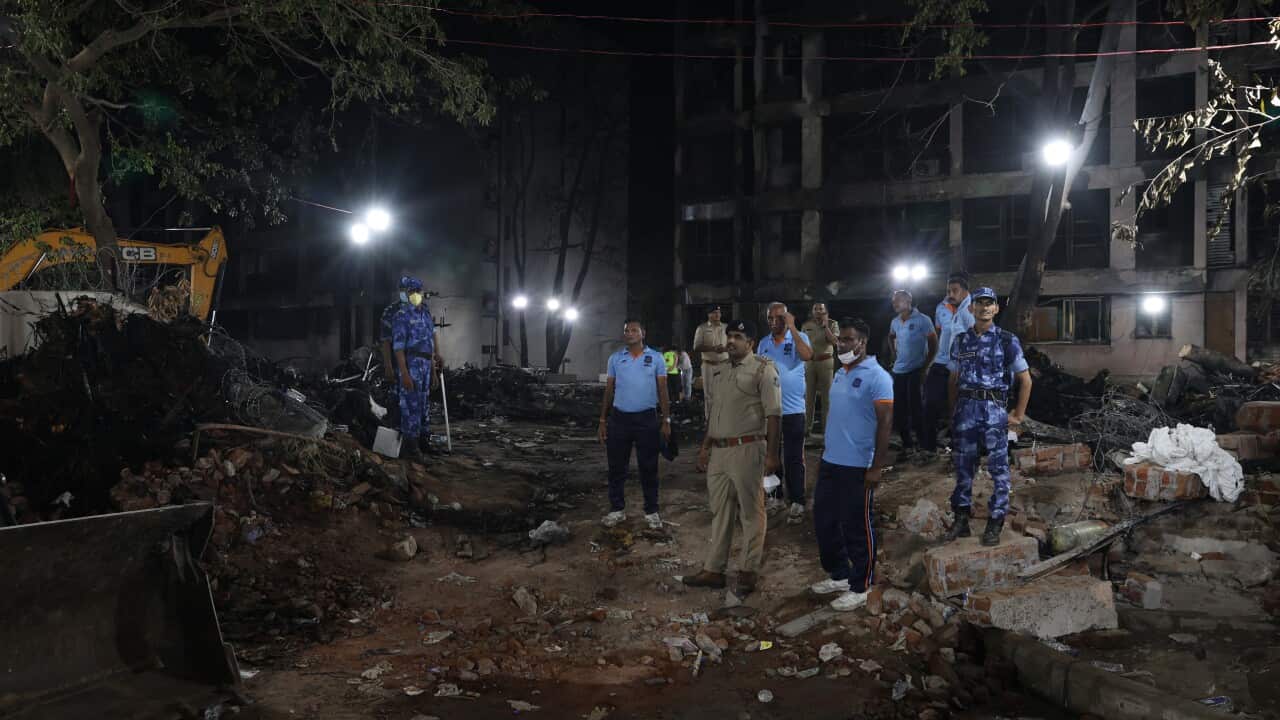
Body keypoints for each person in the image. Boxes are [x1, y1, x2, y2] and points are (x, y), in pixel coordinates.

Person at [684, 319, 782, 595]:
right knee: (720, 511)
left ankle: (748, 571)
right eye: (729, 336)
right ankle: (714, 570)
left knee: (751, 512)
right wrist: (705, 447)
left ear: (750, 343)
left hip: (748, 448)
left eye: (738, 336)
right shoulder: (721, 371)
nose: (731, 341)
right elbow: (715, 413)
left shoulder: (763, 369)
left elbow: (774, 415)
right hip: (719, 451)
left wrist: (772, 455)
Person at [808, 318, 893, 611]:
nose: (841, 344)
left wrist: (876, 467)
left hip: (858, 466)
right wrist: (824, 455)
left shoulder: (878, 376)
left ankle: (861, 586)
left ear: (862, 342)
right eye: (840, 339)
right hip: (832, 461)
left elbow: (885, 424)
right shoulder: (840, 373)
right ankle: (840, 575)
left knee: (858, 527)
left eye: (847, 339)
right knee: (825, 522)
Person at [945, 287, 1033, 546]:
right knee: (963, 465)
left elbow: (1025, 380)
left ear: (996, 308)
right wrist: (952, 411)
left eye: (989, 303)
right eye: (979, 303)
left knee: (998, 467)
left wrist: (1018, 414)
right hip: (966, 409)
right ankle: (961, 518)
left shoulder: (1007, 340)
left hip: (994, 411)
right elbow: (953, 378)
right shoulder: (961, 341)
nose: (984, 307)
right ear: (971, 308)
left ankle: (996, 519)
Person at [599, 319, 672, 530]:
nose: (629, 334)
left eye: (634, 330)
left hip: (646, 419)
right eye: (626, 331)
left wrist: (666, 420)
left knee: (648, 467)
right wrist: (603, 420)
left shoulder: (656, 358)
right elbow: (609, 390)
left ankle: (651, 511)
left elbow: (663, 390)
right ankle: (617, 510)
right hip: (619, 419)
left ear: (643, 333)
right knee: (616, 467)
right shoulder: (615, 359)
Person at [757, 302, 813, 523]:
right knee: (771, 456)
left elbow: (808, 356)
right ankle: (776, 497)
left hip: (793, 410)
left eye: (779, 318)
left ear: (788, 317)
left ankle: (798, 500)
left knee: (793, 458)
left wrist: (793, 328)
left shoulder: (800, 339)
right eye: (770, 318)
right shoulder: (763, 344)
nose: (773, 322)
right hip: (771, 411)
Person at [391, 275, 440, 462]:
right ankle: (411, 449)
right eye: (410, 291)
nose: (414, 294)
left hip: (426, 365)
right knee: (410, 407)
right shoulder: (402, 316)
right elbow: (398, 348)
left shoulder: (426, 314)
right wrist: (404, 373)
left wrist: (434, 371)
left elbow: (431, 346)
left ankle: (423, 442)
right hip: (411, 365)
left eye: (416, 291)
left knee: (423, 406)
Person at [925, 274, 974, 454]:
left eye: (955, 291)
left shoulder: (970, 310)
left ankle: (958, 447)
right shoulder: (943, 307)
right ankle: (928, 448)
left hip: (959, 368)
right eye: (948, 290)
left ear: (965, 291)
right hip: (941, 362)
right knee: (930, 403)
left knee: (958, 408)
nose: (950, 294)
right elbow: (940, 334)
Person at [888, 290, 937, 458]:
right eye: (893, 301)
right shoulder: (894, 322)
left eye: (897, 301)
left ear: (908, 301)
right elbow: (891, 337)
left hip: (916, 369)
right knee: (900, 409)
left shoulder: (923, 320)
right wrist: (895, 357)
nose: (894, 304)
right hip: (899, 371)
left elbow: (933, 344)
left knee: (916, 407)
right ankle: (907, 444)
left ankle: (923, 445)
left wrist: (926, 367)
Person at [801, 303, 839, 439]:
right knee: (808, 397)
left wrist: (825, 327)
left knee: (827, 398)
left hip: (826, 362)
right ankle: (806, 429)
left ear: (825, 311)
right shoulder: (806, 326)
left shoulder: (833, 324)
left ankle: (827, 430)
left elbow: (835, 341)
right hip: (810, 363)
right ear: (812, 312)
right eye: (815, 309)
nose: (818, 311)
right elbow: (802, 344)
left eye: (821, 309)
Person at [692, 306, 728, 420]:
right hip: (709, 365)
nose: (717, 315)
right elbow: (696, 347)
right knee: (709, 395)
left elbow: (733, 344)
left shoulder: (726, 327)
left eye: (719, 312)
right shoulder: (702, 328)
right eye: (714, 313)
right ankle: (710, 422)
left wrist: (725, 349)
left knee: (725, 393)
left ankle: (724, 419)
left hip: (724, 364)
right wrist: (713, 348)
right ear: (709, 315)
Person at [379, 280, 412, 383]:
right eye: (402, 289)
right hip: (397, 364)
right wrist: (388, 366)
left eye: (408, 289)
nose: (405, 292)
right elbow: (386, 342)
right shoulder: (390, 311)